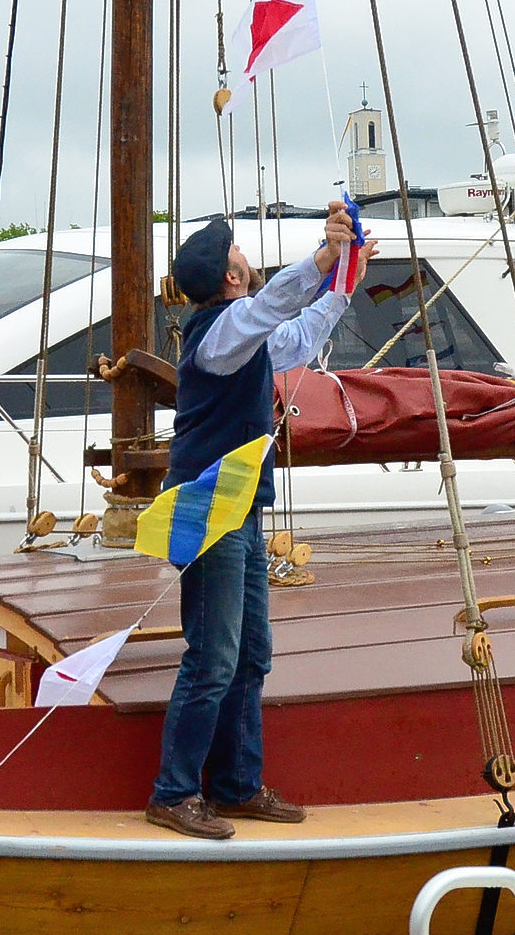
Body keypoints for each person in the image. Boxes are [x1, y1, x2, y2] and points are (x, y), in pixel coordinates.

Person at [145, 204, 377, 839]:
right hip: (209, 510)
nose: (244, 257)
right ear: (230, 277)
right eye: (236, 252)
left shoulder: (239, 337)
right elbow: (275, 306)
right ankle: (173, 792)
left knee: (250, 654)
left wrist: (343, 278)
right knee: (214, 655)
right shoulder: (216, 335)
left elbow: (297, 337)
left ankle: (237, 785)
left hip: (238, 507)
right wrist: (326, 258)